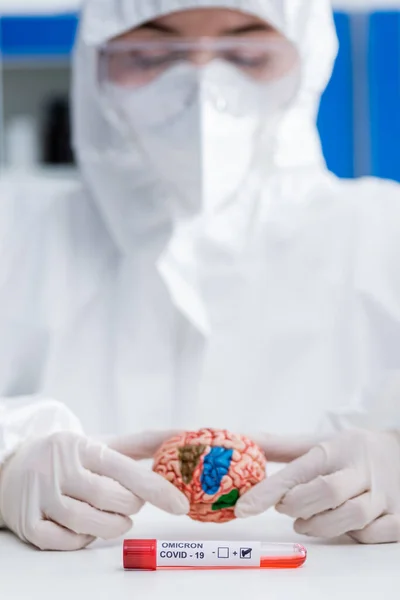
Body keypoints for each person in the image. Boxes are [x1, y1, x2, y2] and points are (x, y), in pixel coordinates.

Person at [0, 0, 400, 551]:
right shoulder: (14, 232)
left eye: (246, 53)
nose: (201, 90)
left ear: (307, 59)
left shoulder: (387, 232)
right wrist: (6, 466)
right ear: (94, 64)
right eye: (150, 54)